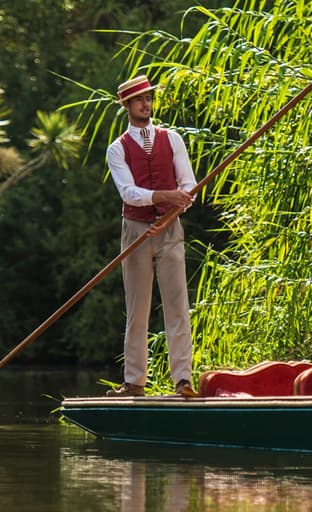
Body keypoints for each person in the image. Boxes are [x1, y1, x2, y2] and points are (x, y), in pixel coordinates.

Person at [105, 75, 197, 397]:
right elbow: (129, 193)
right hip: (136, 230)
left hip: (171, 229)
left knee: (177, 306)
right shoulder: (117, 149)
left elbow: (188, 187)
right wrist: (163, 198)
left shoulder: (172, 139)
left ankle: (183, 380)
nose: (146, 104)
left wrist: (171, 211)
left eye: (149, 98)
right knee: (138, 308)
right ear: (127, 106)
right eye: (139, 100)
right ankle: (134, 382)